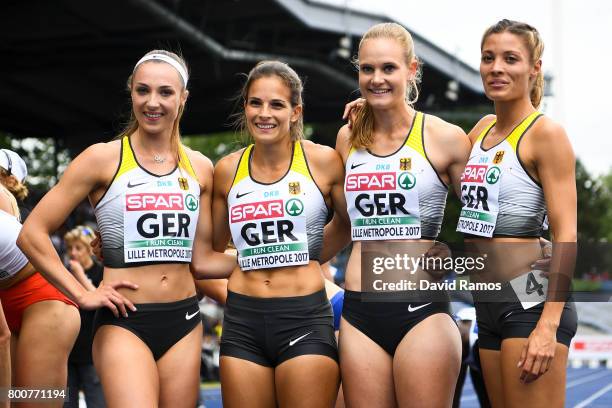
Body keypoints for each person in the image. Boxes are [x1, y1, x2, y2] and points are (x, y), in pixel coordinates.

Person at [17, 50, 225, 407]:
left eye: (165, 92)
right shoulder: (102, 158)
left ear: (183, 98)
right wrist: (81, 294)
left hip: (185, 320)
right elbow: (31, 232)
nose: (152, 102)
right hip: (125, 321)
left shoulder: (202, 167)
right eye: (142, 91)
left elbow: (204, 257)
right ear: (131, 93)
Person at [191, 60, 347, 408]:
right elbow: (204, 260)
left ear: (296, 111)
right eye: (255, 103)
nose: (265, 113)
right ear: (245, 106)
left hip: (304, 316)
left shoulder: (324, 162)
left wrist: (310, 254)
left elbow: (350, 224)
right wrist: (259, 256)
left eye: (277, 104)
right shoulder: (228, 170)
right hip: (243, 321)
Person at [335, 23, 467, 407]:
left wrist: (452, 254)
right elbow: (340, 223)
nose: (376, 79)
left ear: (412, 70)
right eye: (367, 69)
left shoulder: (445, 138)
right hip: (359, 312)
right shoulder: (347, 139)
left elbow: (488, 223)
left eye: (388, 69)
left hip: (421, 311)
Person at [457, 19, 577, 407]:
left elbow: (567, 235)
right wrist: (376, 111)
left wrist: (548, 324)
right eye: (488, 58)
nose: (497, 68)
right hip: (487, 300)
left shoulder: (545, 134)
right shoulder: (482, 129)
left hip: (530, 300)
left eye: (511, 59)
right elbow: (426, 153)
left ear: (534, 68)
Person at [0, 149, 80, 408]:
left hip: (42, 296)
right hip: (11, 295)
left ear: (11, 181)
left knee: (33, 402)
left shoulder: (4, 197)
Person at [63, 225, 106, 408]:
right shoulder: (64, 273)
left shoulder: (101, 272)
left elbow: (102, 299)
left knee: (97, 402)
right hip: (68, 352)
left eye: (78, 248)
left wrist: (80, 275)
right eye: (70, 248)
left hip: (92, 353)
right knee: (67, 404)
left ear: (89, 249)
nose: (73, 253)